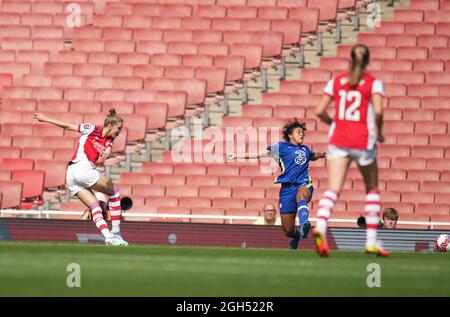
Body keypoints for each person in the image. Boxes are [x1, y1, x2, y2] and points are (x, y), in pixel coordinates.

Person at [314, 44, 388, 257]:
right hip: (363, 140)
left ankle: (320, 226)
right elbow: (379, 112)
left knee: (333, 189)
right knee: (372, 190)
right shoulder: (373, 83)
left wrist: (335, 123)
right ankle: (371, 242)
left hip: (338, 140)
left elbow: (319, 111)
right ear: (367, 61)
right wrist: (380, 132)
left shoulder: (336, 81)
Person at [33, 109, 128, 246]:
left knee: (95, 206)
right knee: (115, 192)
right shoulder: (92, 129)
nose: (120, 132)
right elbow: (68, 126)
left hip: (71, 174)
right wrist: (45, 118)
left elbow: (109, 142)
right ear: (110, 126)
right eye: (118, 128)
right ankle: (116, 232)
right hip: (83, 168)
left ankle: (108, 237)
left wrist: (109, 148)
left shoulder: (109, 140)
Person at [229, 119, 326, 249]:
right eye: (298, 132)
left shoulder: (305, 149)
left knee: (301, 197)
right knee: (288, 230)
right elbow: (261, 154)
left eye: (303, 132)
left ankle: (304, 224)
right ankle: (297, 235)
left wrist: (319, 155)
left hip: (303, 183)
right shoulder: (281, 147)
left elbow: (311, 156)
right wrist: (238, 155)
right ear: (290, 135)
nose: (301, 134)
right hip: (287, 189)